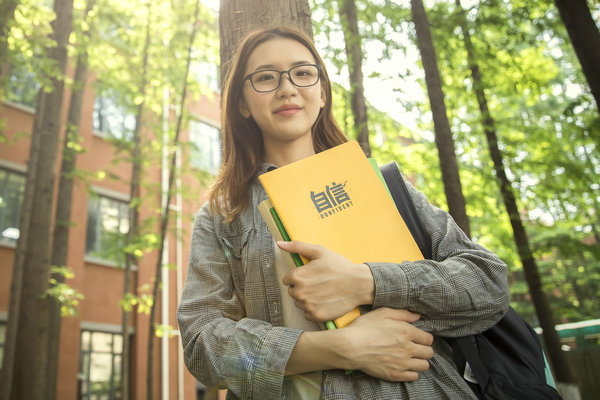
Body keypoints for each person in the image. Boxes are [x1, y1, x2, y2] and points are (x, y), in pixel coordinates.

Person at [177, 26, 510, 399]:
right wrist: (342, 347)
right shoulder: (224, 214)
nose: (287, 88)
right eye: (266, 78)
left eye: (302, 73)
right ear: (242, 103)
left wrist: (364, 281)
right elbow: (201, 344)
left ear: (322, 93)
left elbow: (489, 285)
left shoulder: (379, 184)